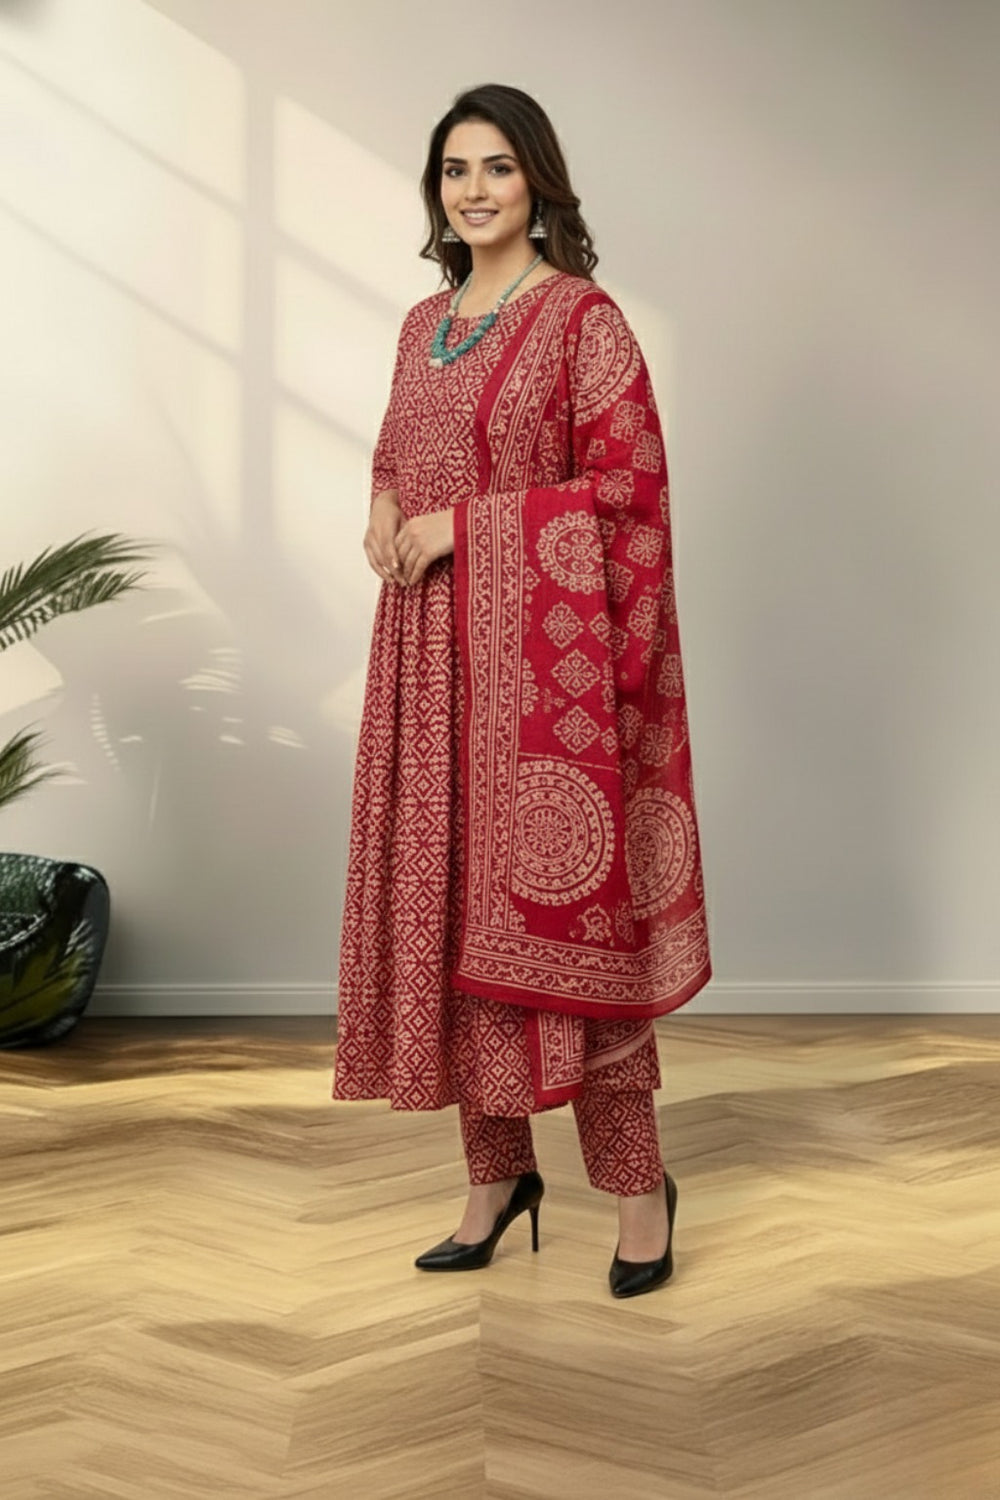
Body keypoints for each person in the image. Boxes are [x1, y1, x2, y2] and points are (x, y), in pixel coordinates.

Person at [332, 83, 711, 1298]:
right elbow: (398, 448)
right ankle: (495, 1181)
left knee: (569, 936)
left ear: (538, 181)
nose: (475, 190)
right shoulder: (421, 323)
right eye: (455, 170)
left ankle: (638, 1190)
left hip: (545, 689)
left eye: (497, 167)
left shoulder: (581, 320)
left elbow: (628, 493)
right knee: (453, 924)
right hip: (426, 667)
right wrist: (387, 506)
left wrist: (464, 528)